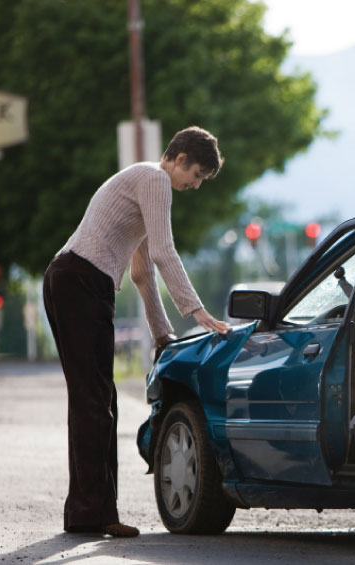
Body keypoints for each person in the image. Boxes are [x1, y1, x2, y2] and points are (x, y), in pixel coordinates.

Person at [42, 126, 232, 537]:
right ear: (179, 158)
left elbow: (143, 270)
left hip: (75, 281)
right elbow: (166, 252)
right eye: (196, 175)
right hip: (80, 282)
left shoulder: (145, 186)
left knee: (98, 399)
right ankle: (94, 514)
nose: (195, 186)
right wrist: (197, 311)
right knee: (94, 401)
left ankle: (87, 513)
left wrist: (164, 335)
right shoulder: (155, 179)